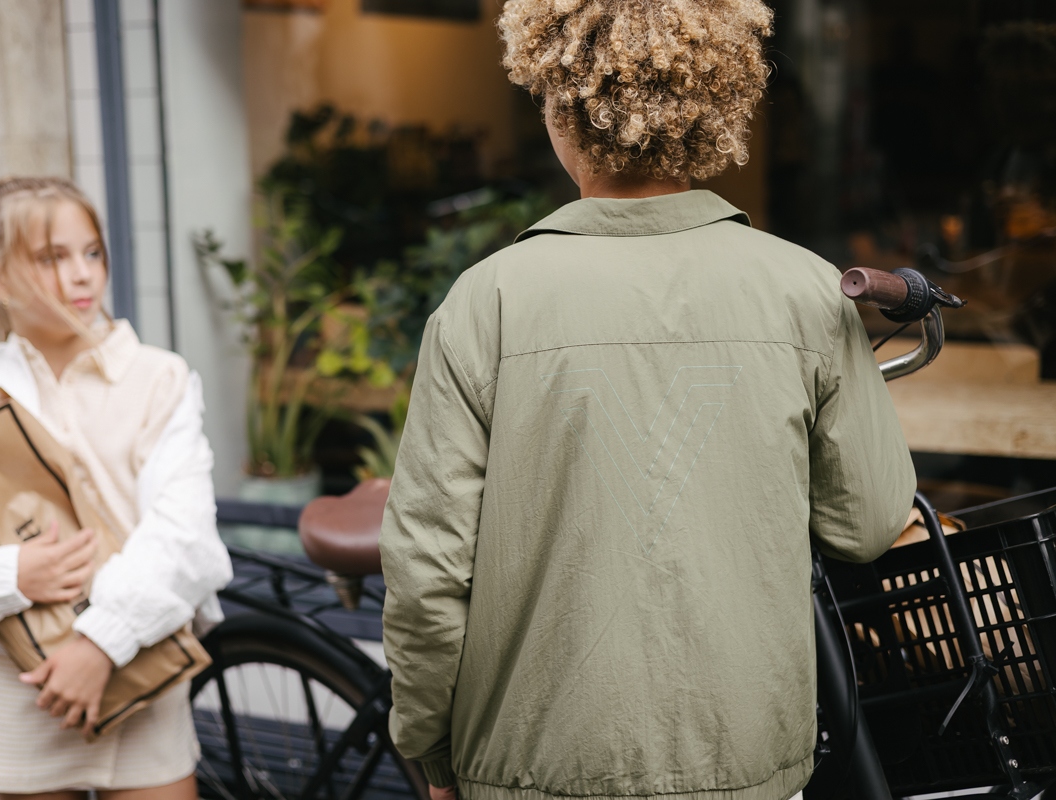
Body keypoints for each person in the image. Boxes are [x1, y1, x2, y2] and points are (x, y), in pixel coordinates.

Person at [378, 3, 916, 800]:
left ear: (562, 108)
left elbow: (427, 571)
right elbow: (866, 526)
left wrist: (427, 744)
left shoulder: (485, 303)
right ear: (715, 103)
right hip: (745, 756)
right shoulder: (806, 289)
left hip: (532, 764)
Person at [0, 176, 233, 800]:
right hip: (23, 689)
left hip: (140, 665)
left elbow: (185, 536)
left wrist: (101, 643)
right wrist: (12, 575)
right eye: (51, 257)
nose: (83, 274)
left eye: (92, 252)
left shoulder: (158, 378)